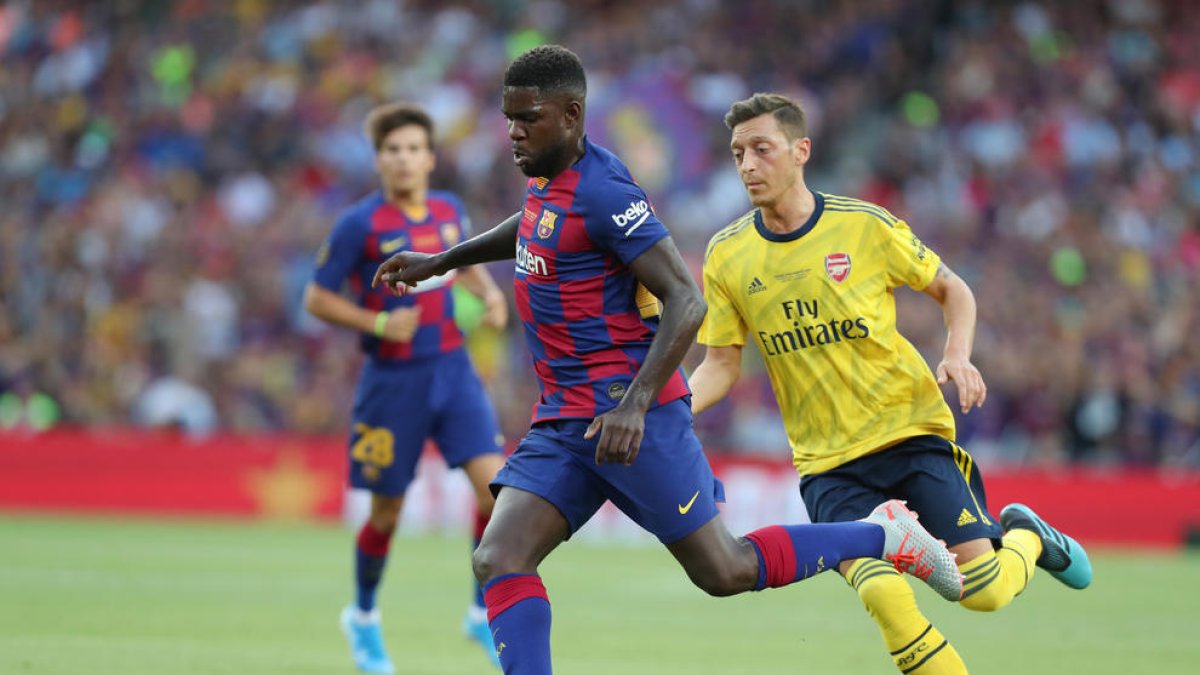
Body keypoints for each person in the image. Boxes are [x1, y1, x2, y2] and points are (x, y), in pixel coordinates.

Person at [374, 45, 962, 675]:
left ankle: (884, 536)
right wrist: (442, 262)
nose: (514, 132)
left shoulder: (606, 190)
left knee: (725, 569)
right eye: (509, 117)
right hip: (566, 418)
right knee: (499, 556)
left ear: (572, 115)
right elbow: (534, 224)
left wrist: (633, 405)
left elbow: (686, 301)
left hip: (633, 417)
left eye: (529, 118)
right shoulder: (550, 182)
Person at [689, 92, 1094, 674]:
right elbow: (721, 364)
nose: (748, 165)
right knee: (883, 595)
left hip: (909, 434)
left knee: (981, 592)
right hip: (828, 465)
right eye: (737, 154)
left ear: (801, 151)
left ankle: (1029, 537)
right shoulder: (726, 254)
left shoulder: (863, 225)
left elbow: (954, 288)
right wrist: (672, 405)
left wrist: (958, 354)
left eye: (762, 149)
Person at [304, 102, 509, 673]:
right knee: (387, 514)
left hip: (453, 370)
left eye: (415, 148)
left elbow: (462, 259)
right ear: (379, 160)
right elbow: (316, 296)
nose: (405, 159)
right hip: (392, 383)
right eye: (394, 150)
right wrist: (375, 323)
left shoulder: (448, 209)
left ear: (430, 158)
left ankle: (481, 612)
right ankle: (363, 617)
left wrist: (490, 294)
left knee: (496, 497)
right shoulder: (358, 224)